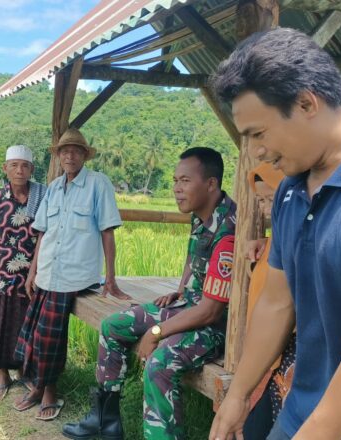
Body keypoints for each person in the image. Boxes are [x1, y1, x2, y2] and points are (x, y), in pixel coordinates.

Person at [209, 27, 341, 440]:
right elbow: (277, 301)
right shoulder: (292, 189)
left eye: (259, 133)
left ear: (307, 102)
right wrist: (238, 392)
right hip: (302, 413)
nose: (255, 152)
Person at [63, 147, 237, 440]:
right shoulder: (201, 213)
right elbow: (193, 256)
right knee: (113, 325)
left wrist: (157, 331)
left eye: (184, 181)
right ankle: (105, 420)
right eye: (174, 181)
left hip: (215, 327)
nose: (176, 189)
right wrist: (181, 289)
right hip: (189, 306)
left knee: (160, 363)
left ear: (211, 184)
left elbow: (210, 311)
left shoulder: (228, 233)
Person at [13, 127, 132, 421]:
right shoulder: (53, 188)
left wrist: (111, 278)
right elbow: (43, 235)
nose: (69, 155)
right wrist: (31, 272)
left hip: (74, 276)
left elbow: (107, 231)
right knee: (33, 335)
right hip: (46, 275)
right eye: (65, 151)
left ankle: (49, 391)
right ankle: (38, 387)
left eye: (76, 151)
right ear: (59, 156)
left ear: (83, 155)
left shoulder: (97, 184)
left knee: (49, 339)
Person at [0, 145, 47, 404]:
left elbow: (45, 234)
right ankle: (3, 376)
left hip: (31, 276)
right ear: (5, 168)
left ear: (31, 170)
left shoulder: (41, 198)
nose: (19, 170)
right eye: (14, 165)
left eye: (25, 166)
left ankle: (23, 371)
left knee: (25, 324)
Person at [241, 163, 296, 439]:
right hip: (265, 351)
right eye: (262, 201)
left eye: (272, 199)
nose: (265, 209)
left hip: (286, 354)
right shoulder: (274, 241)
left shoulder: (298, 239)